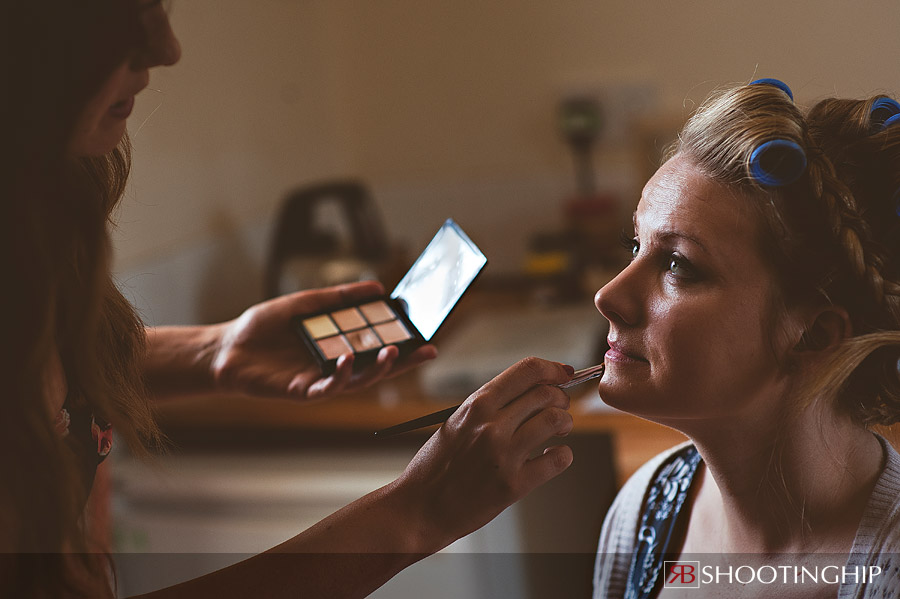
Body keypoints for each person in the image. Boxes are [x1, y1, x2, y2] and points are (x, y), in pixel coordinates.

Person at [0, 2, 577, 597]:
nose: (166, 48)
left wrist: (214, 351)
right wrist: (414, 515)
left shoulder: (36, 211)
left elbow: (49, 365)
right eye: (124, 15)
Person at [591, 78, 900, 598]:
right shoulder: (643, 511)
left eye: (678, 265)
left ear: (813, 336)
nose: (609, 296)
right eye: (634, 245)